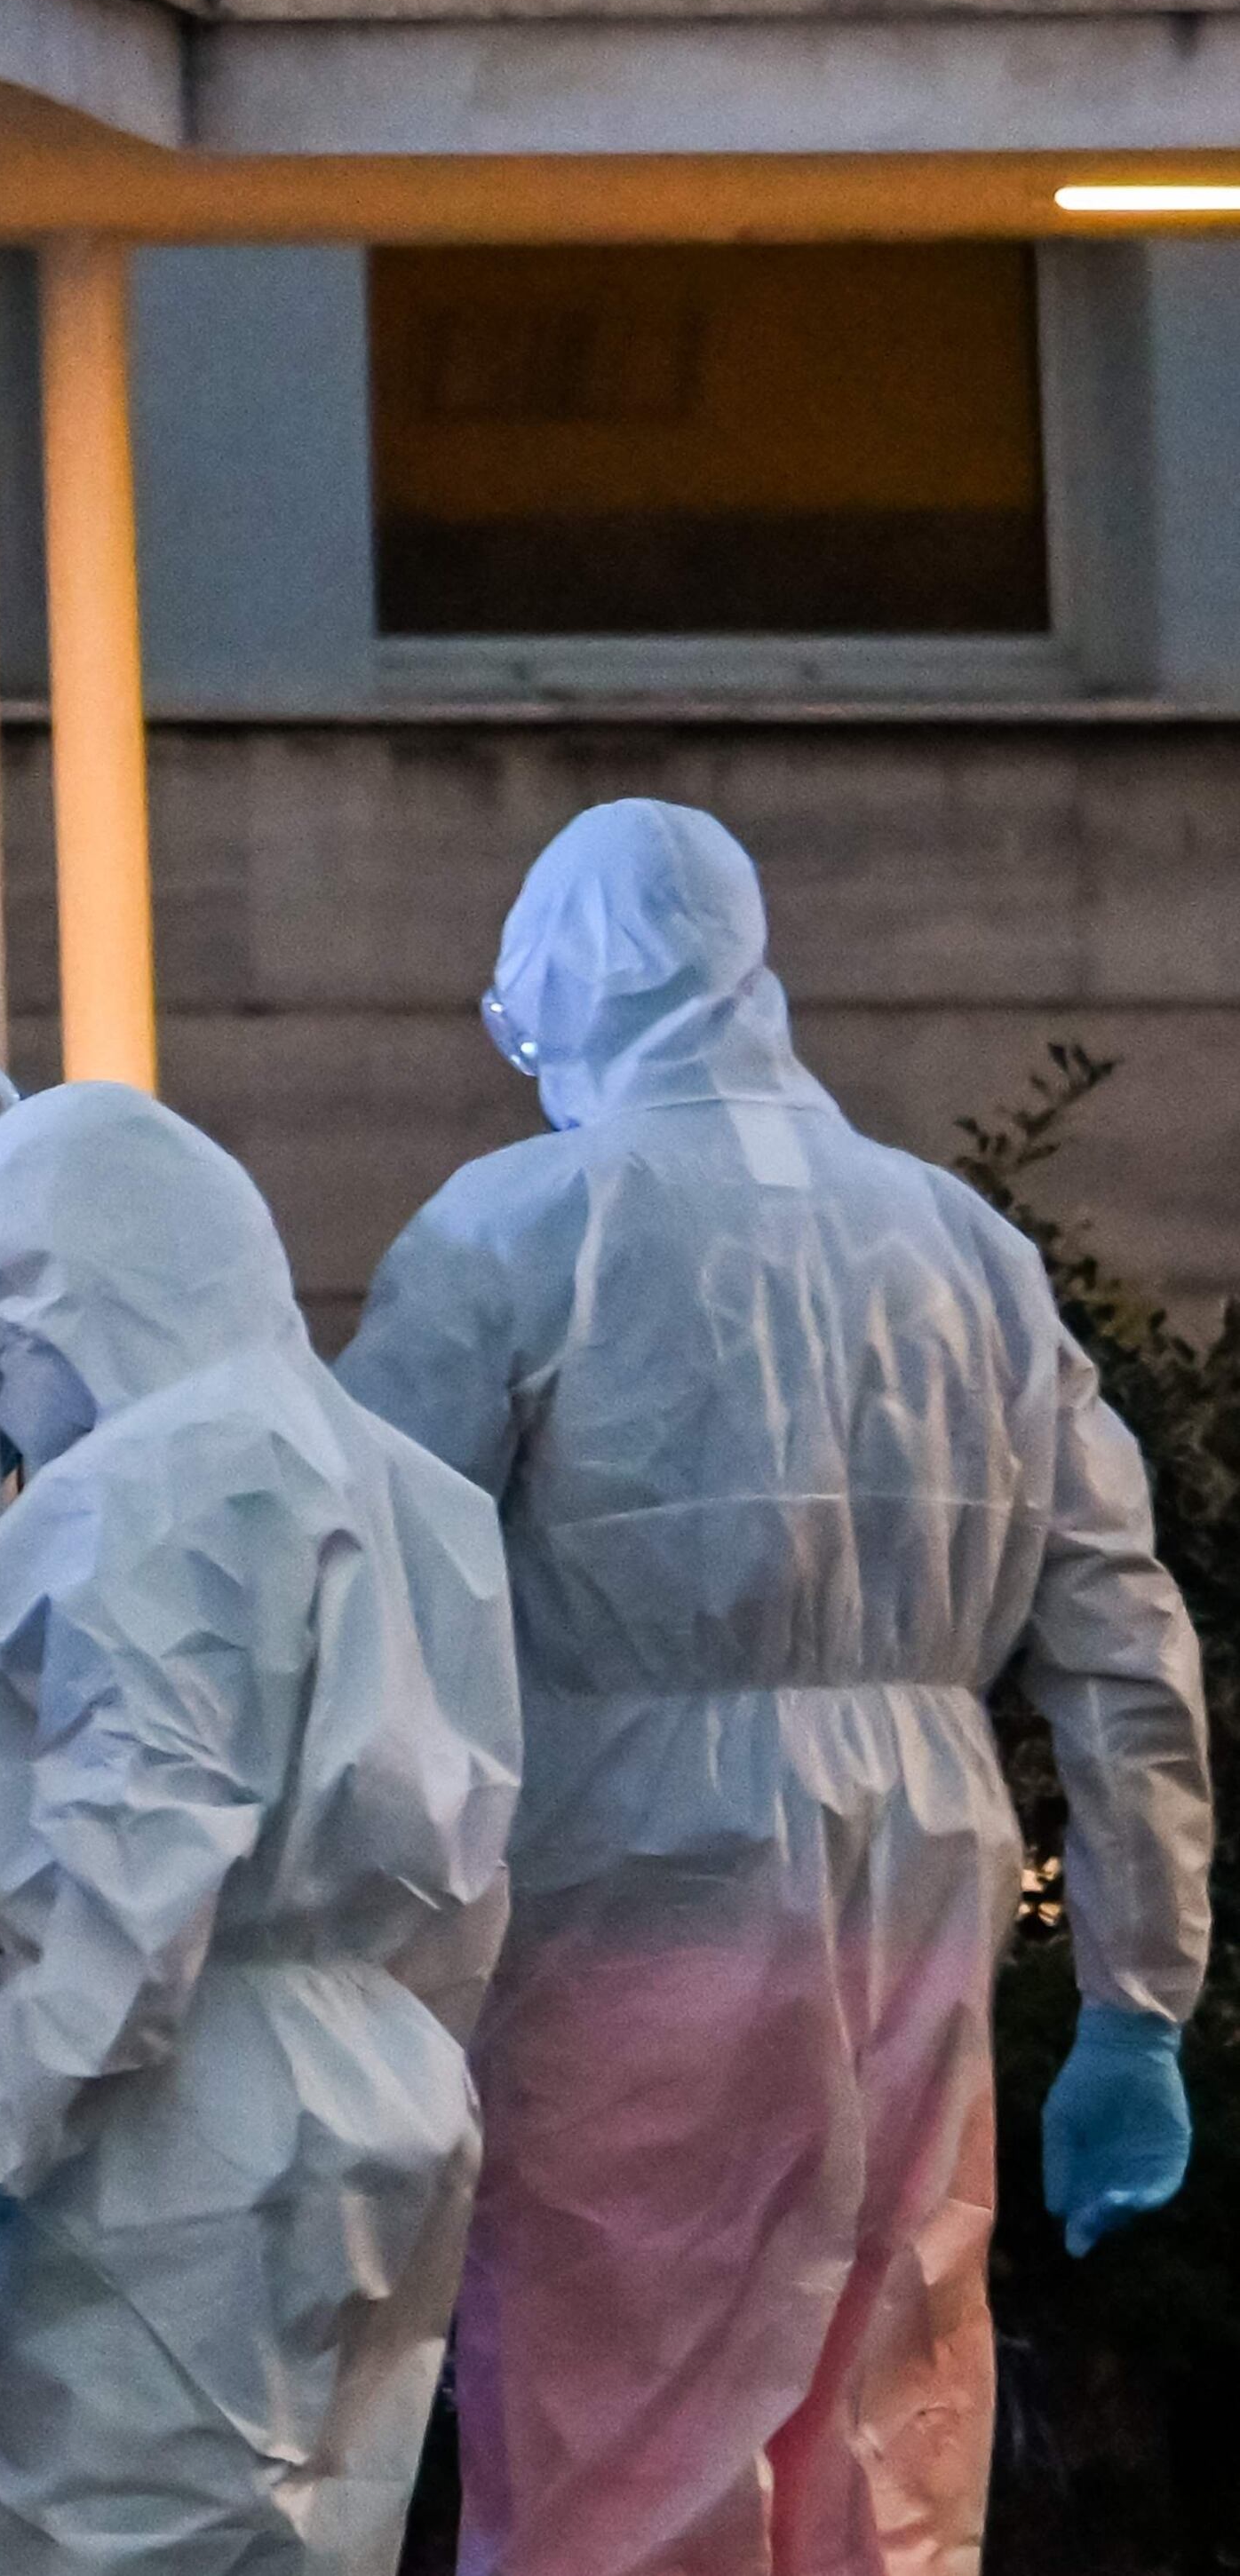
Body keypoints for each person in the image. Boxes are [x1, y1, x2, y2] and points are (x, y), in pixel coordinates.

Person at [338, 798, 1212, 2576]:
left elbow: (350, 1596)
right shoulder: (960, 1247)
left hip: (625, 1885)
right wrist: (1136, 1996)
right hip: (924, 1866)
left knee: (615, 2409)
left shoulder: (519, 1229)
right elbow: (1121, 1636)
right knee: (889, 2402)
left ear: (562, 988)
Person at [0, 1082, 521, 2576]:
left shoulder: (156, 1489)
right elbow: (478, 1863)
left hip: (178, 2132)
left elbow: (137, 1897)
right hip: (390, 2087)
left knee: (121, 2540)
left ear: (83, 1287)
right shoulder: (401, 1481)